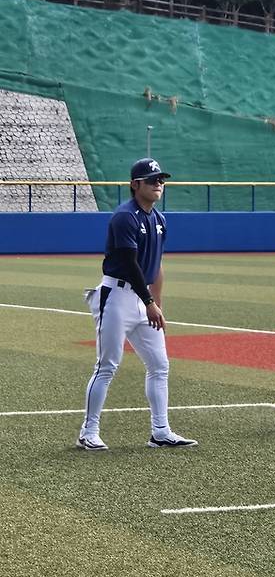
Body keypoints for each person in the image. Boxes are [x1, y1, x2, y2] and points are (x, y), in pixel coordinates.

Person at [77, 158, 198, 451]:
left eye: (161, 179)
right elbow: (130, 265)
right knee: (107, 365)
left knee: (159, 364)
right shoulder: (125, 217)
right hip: (116, 297)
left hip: (143, 300)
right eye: (152, 179)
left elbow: (156, 265)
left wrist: (157, 303)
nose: (159, 184)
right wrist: (149, 302)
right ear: (135, 185)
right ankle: (88, 432)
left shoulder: (159, 219)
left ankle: (161, 431)